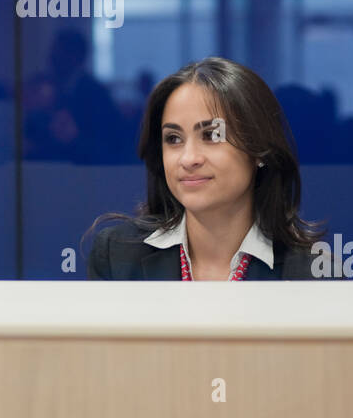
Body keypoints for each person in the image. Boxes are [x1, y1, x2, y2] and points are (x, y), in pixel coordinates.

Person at [84, 56, 331, 281]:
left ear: (258, 150)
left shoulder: (312, 272)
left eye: (212, 135)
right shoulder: (115, 257)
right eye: (173, 139)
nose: (188, 159)